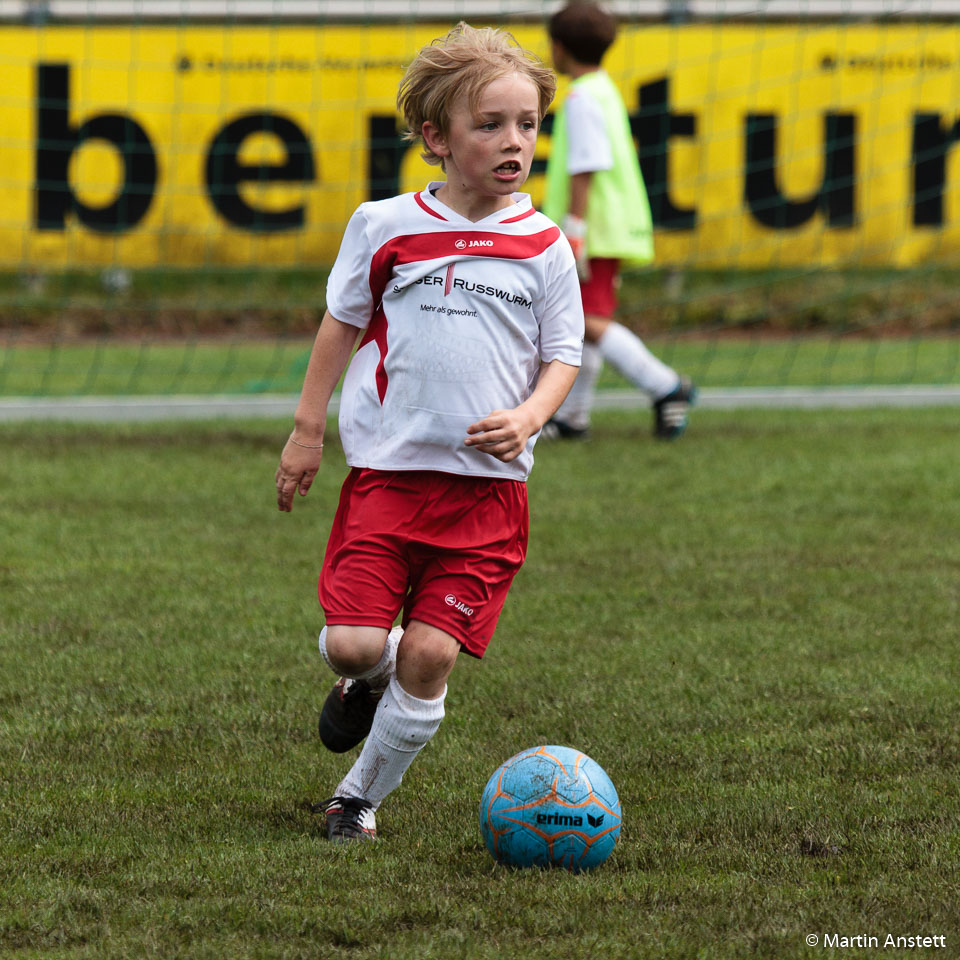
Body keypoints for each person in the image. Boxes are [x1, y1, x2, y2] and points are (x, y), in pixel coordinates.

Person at [274, 23, 583, 844]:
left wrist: (528, 416)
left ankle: (356, 800)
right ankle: (362, 683)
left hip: (487, 497)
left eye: (527, 123)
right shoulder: (382, 226)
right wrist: (308, 432)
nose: (514, 140)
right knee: (350, 645)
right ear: (436, 138)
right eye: (490, 124)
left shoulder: (546, 245)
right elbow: (340, 325)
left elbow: (564, 356)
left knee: (433, 657)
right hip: (387, 478)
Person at [543, 0, 696, 440]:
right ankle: (573, 418)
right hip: (606, 225)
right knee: (579, 319)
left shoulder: (582, 98)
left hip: (594, 227)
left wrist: (573, 228)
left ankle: (666, 386)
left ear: (559, 46)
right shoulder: (603, 90)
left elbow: (585, 165)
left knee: (586, 321)